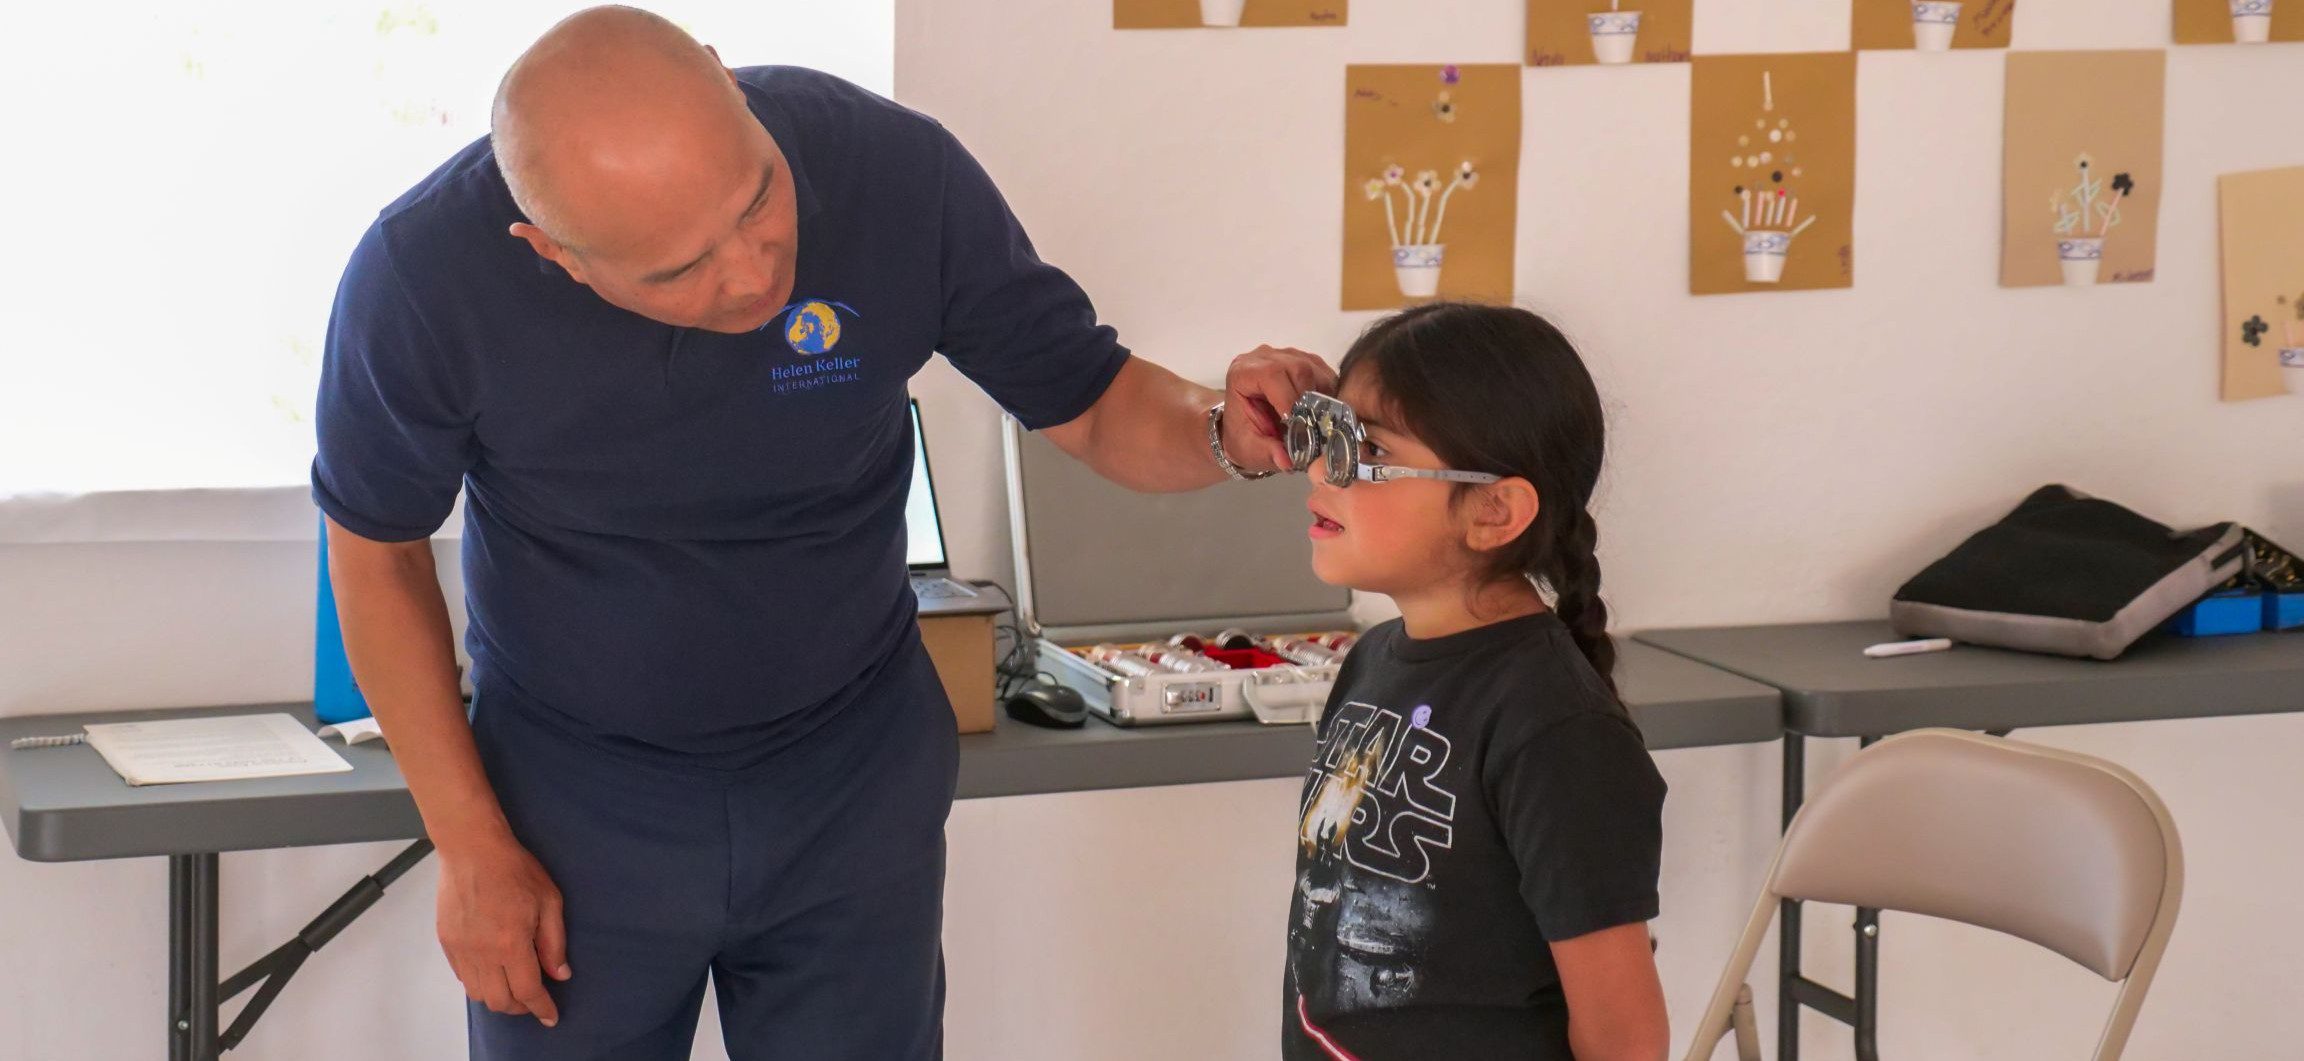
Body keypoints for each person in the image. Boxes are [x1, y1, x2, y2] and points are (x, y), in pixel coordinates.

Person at [313, 7, 1330, 1059]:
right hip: (576, 796)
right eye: (680, 271)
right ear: (553, 255)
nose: (755, 274)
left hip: (850, 770)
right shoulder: (423, 277)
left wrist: (1226, 430)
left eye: (758, 200)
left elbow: (1096, 401)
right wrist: (470, 842)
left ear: (724, 77)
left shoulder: (893, 170)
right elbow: (374, 550)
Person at [1284, 302, 1670, 1060]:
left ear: (1495, 510)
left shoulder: (1556, 728)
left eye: (1363, 451)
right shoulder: (1373, 660)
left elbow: (1625, 1034)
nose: (1319, 469)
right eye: (1324, 433)